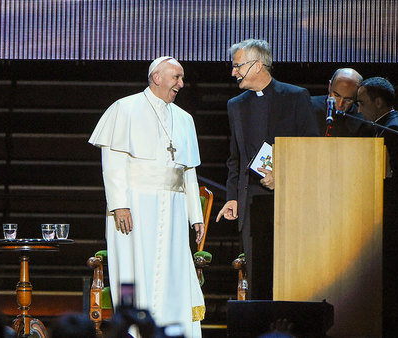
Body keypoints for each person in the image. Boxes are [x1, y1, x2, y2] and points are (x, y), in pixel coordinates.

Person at [89, 57, 205, 337]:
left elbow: (188, 172)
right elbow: (113, 163)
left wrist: (196, 216)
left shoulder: (184, 119)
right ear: (156, 77)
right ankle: (132, 330)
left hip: (174, 209)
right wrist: (119, 205)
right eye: (176, 77)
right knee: (133, 272)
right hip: (135, 208)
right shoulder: (124, 109)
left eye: (182, 78)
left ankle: (171, 329)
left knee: (172, 274)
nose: (181, 83)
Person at [216, 39, 318, 300]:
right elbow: (235, 158)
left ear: (258, 65)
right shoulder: (235, 105)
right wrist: (232, 197)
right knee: (258, 278)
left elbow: (312, 151)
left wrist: (283, 177)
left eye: (237, 66)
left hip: (290, 200)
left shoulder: (296, 97)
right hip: (252, 202)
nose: (233, 72)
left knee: (291, 275)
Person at [356, 77, 398, 337]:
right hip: (391, 218)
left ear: (378, 102)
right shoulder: (385, 126)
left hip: (395, 221)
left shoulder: (393, 129)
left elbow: (383, 176)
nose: (358, 109)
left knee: (393, 290)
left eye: (361, 103)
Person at [311, 68, 368, 137]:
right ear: (330, 86)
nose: (340, 104)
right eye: (336, 95)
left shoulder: (361, 120)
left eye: (348, 100)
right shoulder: (309, 106)